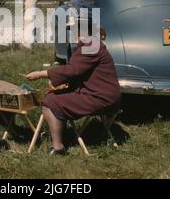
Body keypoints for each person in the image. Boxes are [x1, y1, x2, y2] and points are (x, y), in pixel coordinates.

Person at [25, 27, 121, 155]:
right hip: (102, 94)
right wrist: (58, 82)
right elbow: (80, 72)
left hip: (100, 97)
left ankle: (58, 147)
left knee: (50, 101)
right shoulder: (92, 44)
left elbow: (72, 70)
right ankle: (63, 134)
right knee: (56, 95)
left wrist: (40, 73)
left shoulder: (91, 45)